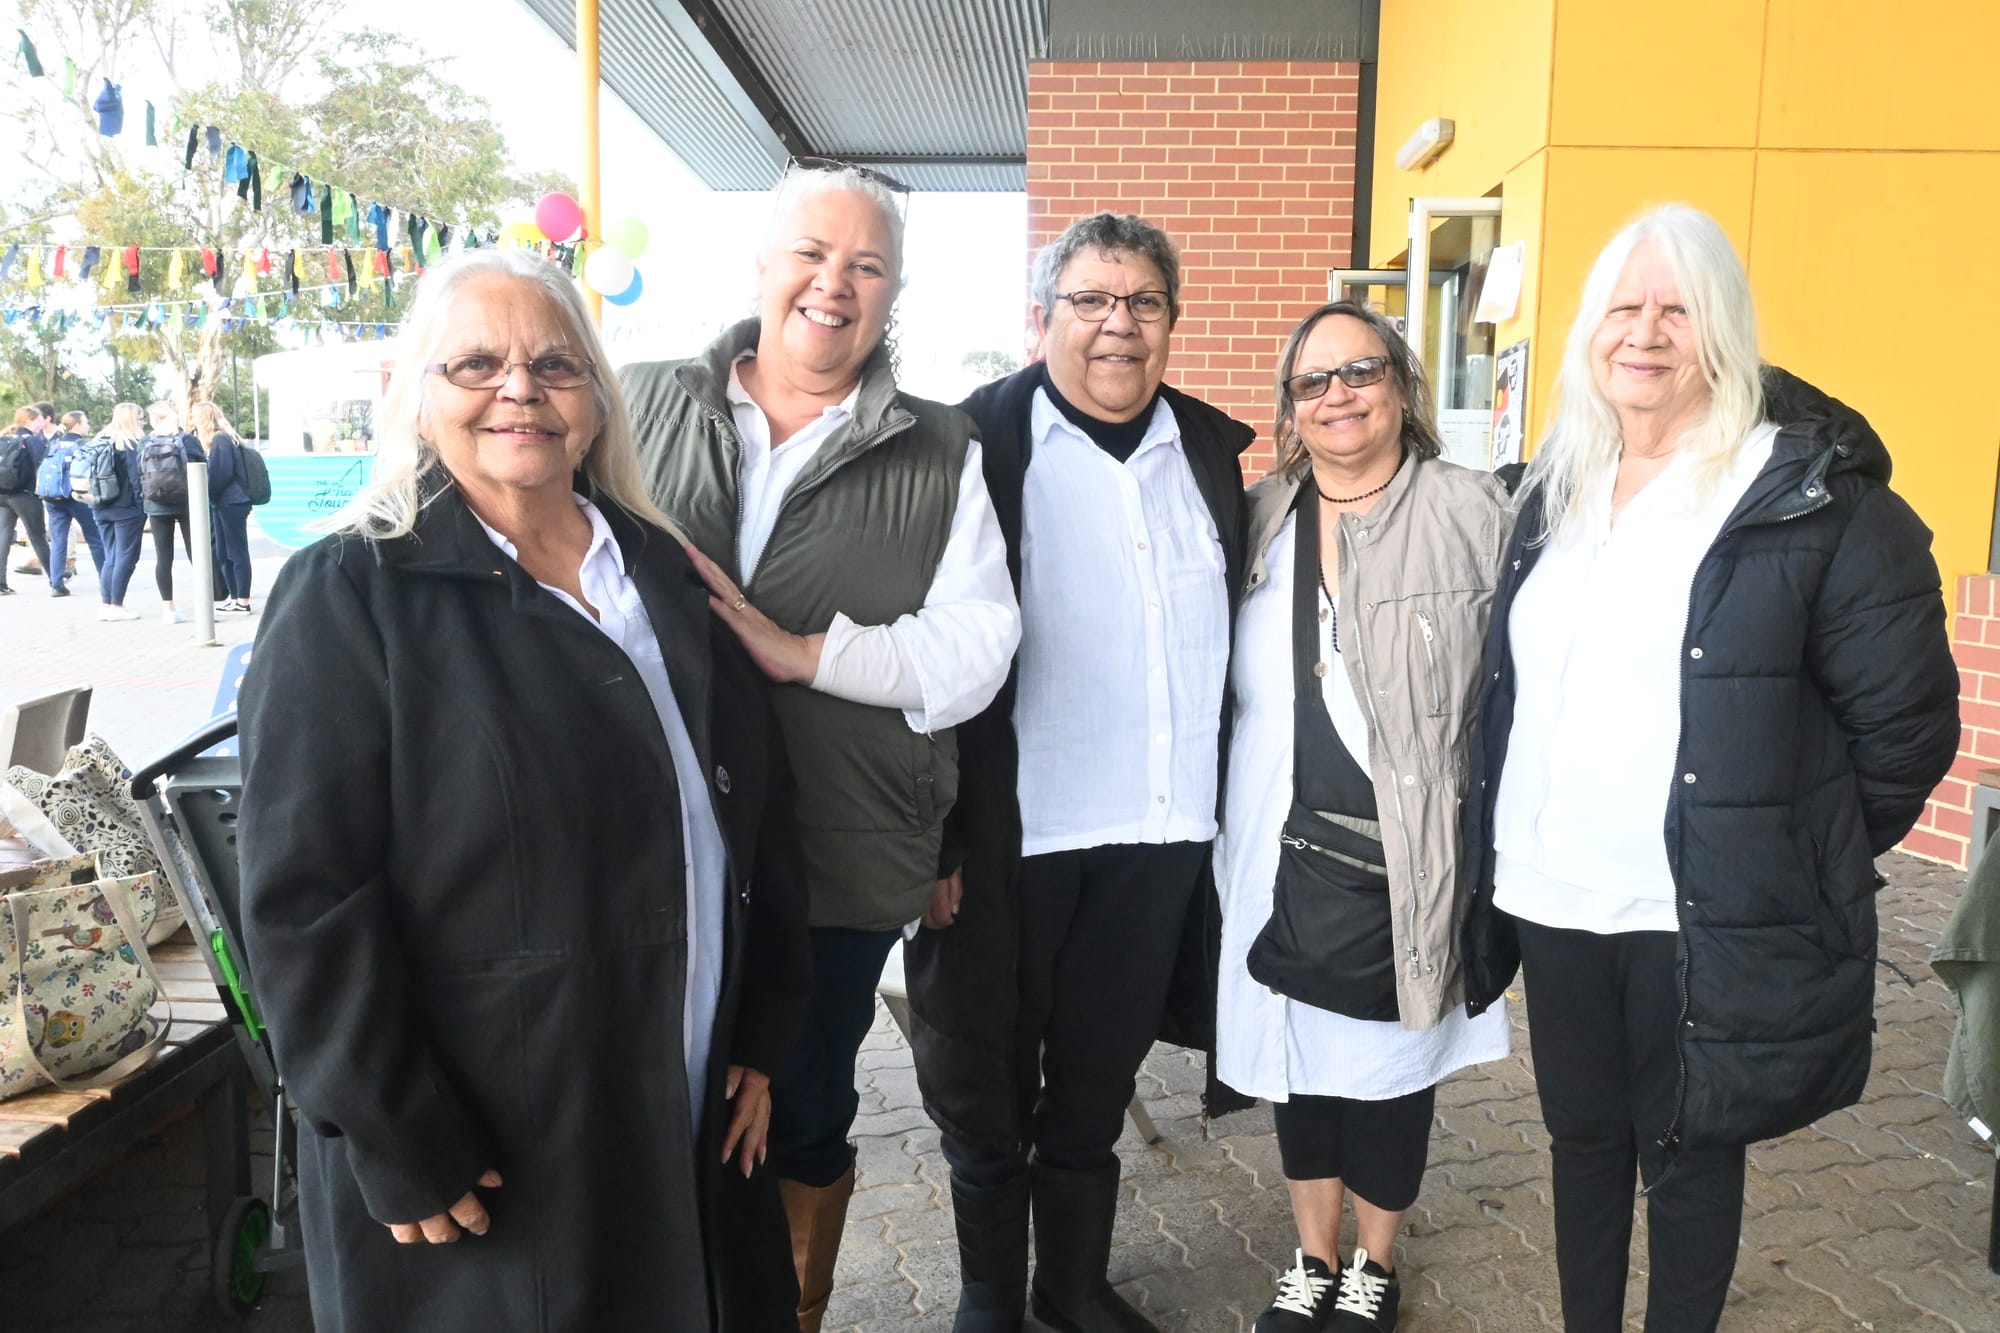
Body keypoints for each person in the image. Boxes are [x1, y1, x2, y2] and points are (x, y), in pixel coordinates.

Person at [236, 246, 810, 1332]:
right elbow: (306, 899)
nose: (520, 389)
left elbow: (757, 814)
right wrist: (392, 1130)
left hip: (685, 1098)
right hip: (490, 1143)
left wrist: (761, 1031)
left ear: (594, 401)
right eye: (475, 365)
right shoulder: (352, 593)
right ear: (417, 397)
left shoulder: (660, 571)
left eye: (554, 365)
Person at [1463, 205, 1961, 1332]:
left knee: (1686, 1149)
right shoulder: (1553, 488)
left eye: (1674, 309)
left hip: (1694, 906)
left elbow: (1906, 724)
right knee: (1581, 1137)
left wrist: (1782, 849)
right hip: (1552, 888)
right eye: (1621, 308)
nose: (1643, 333)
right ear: (1588, 330)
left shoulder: (1805, 494)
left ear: (1720, 329)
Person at [622, 157, 1020, 1333]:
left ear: (894, 294)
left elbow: (978, 647)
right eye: (809, 253)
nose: (831, 285)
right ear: (759, 267)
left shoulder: (940, 449)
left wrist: (810, 653)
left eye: (865, 266)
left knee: (796, 1107)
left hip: (838, 852)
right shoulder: (633, 401)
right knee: (649, 1103)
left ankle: (785, 1314)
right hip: (648, 843)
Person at [905, 212, 1253, 1333]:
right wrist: (931, 838)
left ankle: (1069, 1287)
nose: (1117, 325)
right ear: (1040, 317)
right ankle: (987, 1296)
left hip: (1156, 834)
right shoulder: (966, 446)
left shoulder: (1205, 451)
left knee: (1096, 1080)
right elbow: (918, 647)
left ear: (1169, 322)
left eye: (1141, 303)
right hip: (1007, 840)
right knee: (981, 1084)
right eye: (1091, 301)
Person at [1219, 302, 1513, 1333]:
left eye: (1360, 372)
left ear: (1400, 387)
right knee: (1296, 1053)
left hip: (1406, 845)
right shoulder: (1258, 514)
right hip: (1270, 834)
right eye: (1312, 382)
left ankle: (1373, 1263)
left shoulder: (1472, 510)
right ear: (1290, 410)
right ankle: (1310, 1253)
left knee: (1389, 1060)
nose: (1337, 395)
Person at [139, 400, 206, 623]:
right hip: (188, 503)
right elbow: (202, 467)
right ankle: (205, 606)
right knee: (197, 555)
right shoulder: (187, 440)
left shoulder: (145, 442)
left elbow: (136, 472)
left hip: (156, 506)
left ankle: (168, 609)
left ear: (155, 419)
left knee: (163, 557)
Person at [192, 400, 254, 613]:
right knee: (224, 551)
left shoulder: (220, 439)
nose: (194, 421)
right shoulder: (223, 439)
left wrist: (207, 493)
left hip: (231, 502)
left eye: (197, 417)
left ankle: (242, 599)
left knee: (235, 551)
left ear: (206, 418)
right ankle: (235, 596)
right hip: (225, 501)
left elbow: (221, 473)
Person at [87, 403, 147, 621]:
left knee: (110, 557)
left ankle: (106, 604)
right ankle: (117, 605)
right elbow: (135, 477)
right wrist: (142, 503)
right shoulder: (129, 444)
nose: (143, 422)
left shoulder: (100, 440)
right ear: (132, 419)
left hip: (100, 505)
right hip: (126, 508)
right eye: (140, 418)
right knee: (126, 557)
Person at [41, 410, 106, 598]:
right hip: (78, 497)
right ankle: (105, 577)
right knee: (95, 537)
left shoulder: (53, 444)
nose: (87, 425)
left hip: (53, 497)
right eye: (85, 422)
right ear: (76, 425)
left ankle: (56, 584)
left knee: (58, 540)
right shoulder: (84, 445)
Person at [0, 403, 54, 595]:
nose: (43, 422)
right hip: (26, 495)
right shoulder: (33, 441)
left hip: (4, 494)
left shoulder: (5, 437)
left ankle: (1, 582)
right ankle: (55, 579)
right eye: (39, 419)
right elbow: (43, 466)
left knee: (4, 536)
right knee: (38, 536)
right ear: (30, 420)